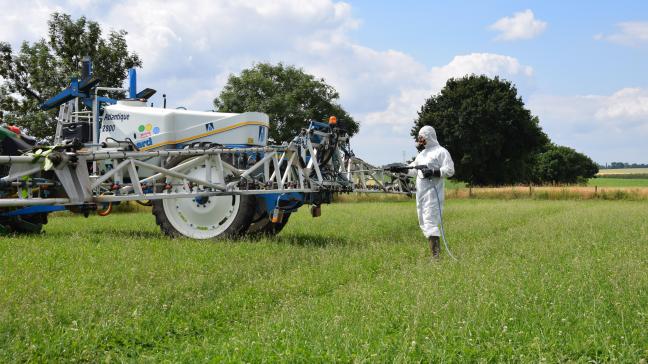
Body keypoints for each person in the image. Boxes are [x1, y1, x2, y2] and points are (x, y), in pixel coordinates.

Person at [391, 125, 454, 258]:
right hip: (421, 194)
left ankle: (435, 258)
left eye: (422, 138)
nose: (420, 141)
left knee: (430, 222)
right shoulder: (422, 154)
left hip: (433, 194)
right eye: (419, 138)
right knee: (424, 223)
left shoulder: (441, 152)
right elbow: (414, 170)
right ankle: (434, 255)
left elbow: (450, 170)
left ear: (429, 136)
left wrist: (433, 172)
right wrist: (402, 169)